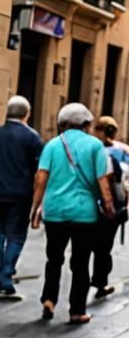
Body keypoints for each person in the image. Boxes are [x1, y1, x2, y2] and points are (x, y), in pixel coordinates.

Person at [31, 103, 115, 325]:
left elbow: (41, 179)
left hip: (55, 211)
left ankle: (48, 300)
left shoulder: (52, 145)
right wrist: (108, 205)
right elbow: (102, 181)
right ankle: (77, 310)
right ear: (87, 124)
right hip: (84, 213)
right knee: (80, 262)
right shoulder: (96, 146)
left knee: (54, 258)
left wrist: (35, 208)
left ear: (62, 123)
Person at [0, 95, 43, 299]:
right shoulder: (32, 138)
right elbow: (39, 173)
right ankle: (6, 276)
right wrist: (37, 202)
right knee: (15, 236)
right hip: (19, 196)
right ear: (27, 114)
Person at [92, 116, 127, 299]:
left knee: (86, 245)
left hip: (89, 202)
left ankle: (88, 281)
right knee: (104, 246)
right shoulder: (122, 151)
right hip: (112, 205)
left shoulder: (90, 149)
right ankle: (100, 281)